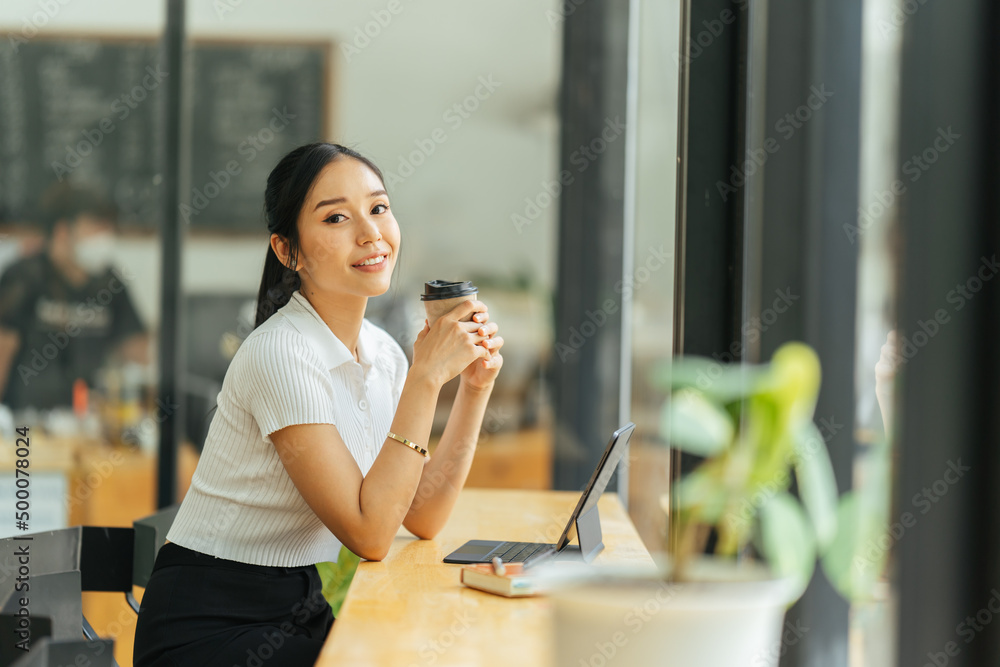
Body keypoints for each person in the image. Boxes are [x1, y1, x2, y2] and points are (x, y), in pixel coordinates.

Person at [133, 142, 504, 666]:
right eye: (336, 217)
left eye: (378, 208)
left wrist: (473, 387)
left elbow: (420, 513)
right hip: (210, 625)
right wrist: (426, 378)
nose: (371, 232)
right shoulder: (280, 354)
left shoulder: (383, 352)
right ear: (288, 251)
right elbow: (371, 535)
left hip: (297, 607)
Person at [0, 182, 148, 411]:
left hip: (87, 422)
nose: (105, 237)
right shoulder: (24, 277)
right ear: (62, 231)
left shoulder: (109, 282)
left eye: (107, 228)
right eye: (95, 227)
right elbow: (3, 349)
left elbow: (137, 352)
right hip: (25, 423)